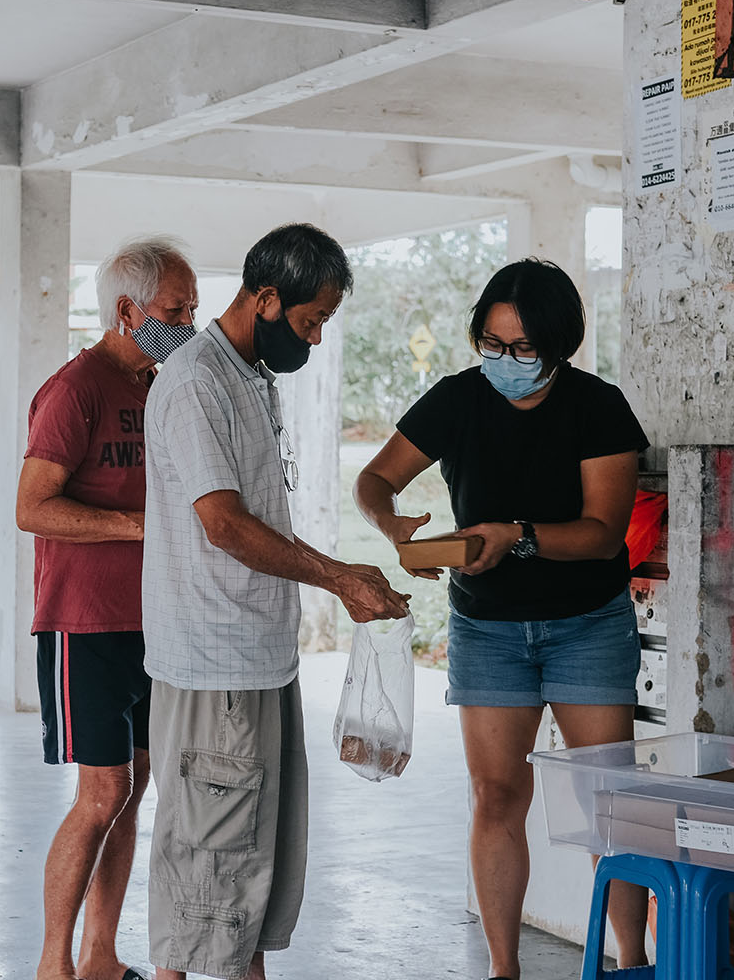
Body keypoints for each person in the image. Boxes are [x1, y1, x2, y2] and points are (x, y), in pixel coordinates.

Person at [353, 257, 650, 980]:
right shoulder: (458, 399)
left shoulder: (597, 406)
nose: (505, 360)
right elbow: (375, 478)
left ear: (559, 344)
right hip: (487, 629)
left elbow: (603, 534)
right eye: (491, 342)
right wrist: (393, 525)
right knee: (496, 796)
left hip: (586, 623)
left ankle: (632, 962)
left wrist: (515, 537)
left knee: (605, 799)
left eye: (523, 347)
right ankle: (503, 969)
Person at [142, 223, 411, 980]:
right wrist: (338, 578)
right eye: (309, 320)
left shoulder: (250, 377)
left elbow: (254, 516)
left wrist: (339, 576)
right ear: (265, 299)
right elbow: (224, 524)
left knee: (242, 875)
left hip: (257, 660)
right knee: (207, 867)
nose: (315, 339)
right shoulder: (196, 382)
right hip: (214, 666)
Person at [16, 235, 200, 980]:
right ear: (128, 311)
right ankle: (52, 963)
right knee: (102, 794)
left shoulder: (160, 386)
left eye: (192, 310)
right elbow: (33, 508)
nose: (188, 324)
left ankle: (99, 956)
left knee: (132, 793)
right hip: (83, 622)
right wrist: (142, 527)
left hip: (153, 623)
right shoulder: (75, 389)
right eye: (176, 311)